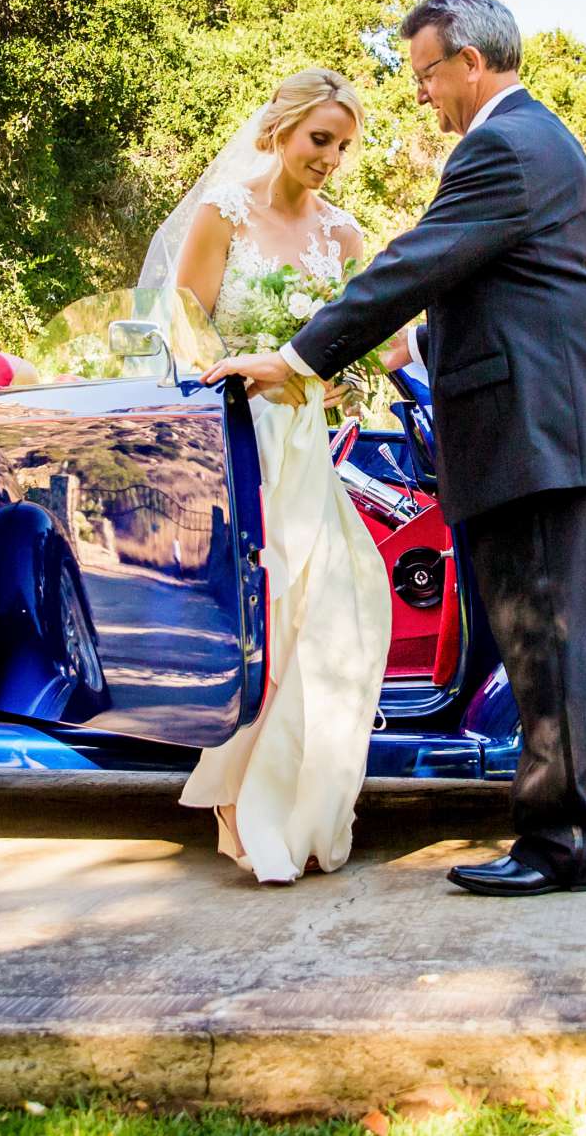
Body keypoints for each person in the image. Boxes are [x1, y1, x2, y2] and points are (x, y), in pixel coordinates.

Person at [205, 0, 586, 897]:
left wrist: (299, 357)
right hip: (560, 427)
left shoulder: (501, 146)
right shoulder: (544, 142)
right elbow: (503, 292)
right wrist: (409, 352)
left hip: (533, 436)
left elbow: (416, 267)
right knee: (569, 637)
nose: (423, 93)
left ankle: (563, 845)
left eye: (427, 73)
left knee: (542, 640)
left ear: (470, 61)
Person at [142, 68, 393, 885]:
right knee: (271, 616)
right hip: (240, 441)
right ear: (281, 128)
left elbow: (360, 353)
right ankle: (246, 804)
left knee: (340, 609)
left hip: (311, 446)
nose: (330, 158)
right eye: (320, 138)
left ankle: (308, 801)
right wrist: (244, 371)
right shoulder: (224, 215)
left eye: (343, 146)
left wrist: (327, 381)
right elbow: (184, 335)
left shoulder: (345, 235)